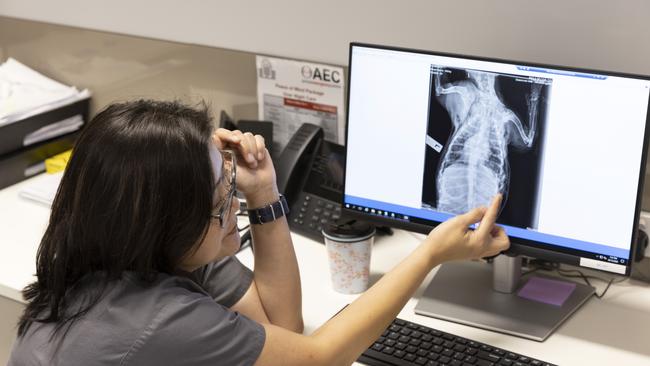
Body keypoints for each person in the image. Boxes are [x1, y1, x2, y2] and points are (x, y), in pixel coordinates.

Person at [9, 99, 509, 366]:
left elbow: (282, 325)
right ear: (170, 223)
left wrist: (264, 193)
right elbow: (318, 359)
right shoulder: (161, 319)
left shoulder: (124, 257)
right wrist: (429, 256)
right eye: (222, 201)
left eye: (228, 188)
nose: (234, 209)